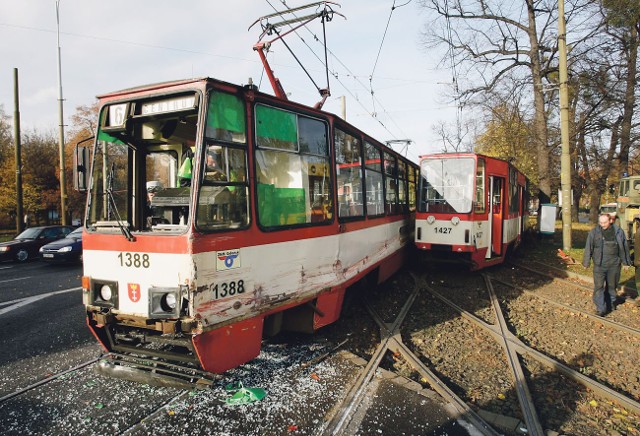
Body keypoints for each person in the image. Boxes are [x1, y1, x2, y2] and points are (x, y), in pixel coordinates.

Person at [582, 213, 632, 316]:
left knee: (612, 286)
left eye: (604, 222)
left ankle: (610, 304)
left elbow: (624, 247)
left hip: (614, 265)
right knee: (599, 286)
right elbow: (588, 248)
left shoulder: (618, 232)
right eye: (600, 222)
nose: (602, 224)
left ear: (610, 221)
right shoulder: (594, 232)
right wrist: (586, 262)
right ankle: (601, 308)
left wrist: (626, 262)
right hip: (599, 265)